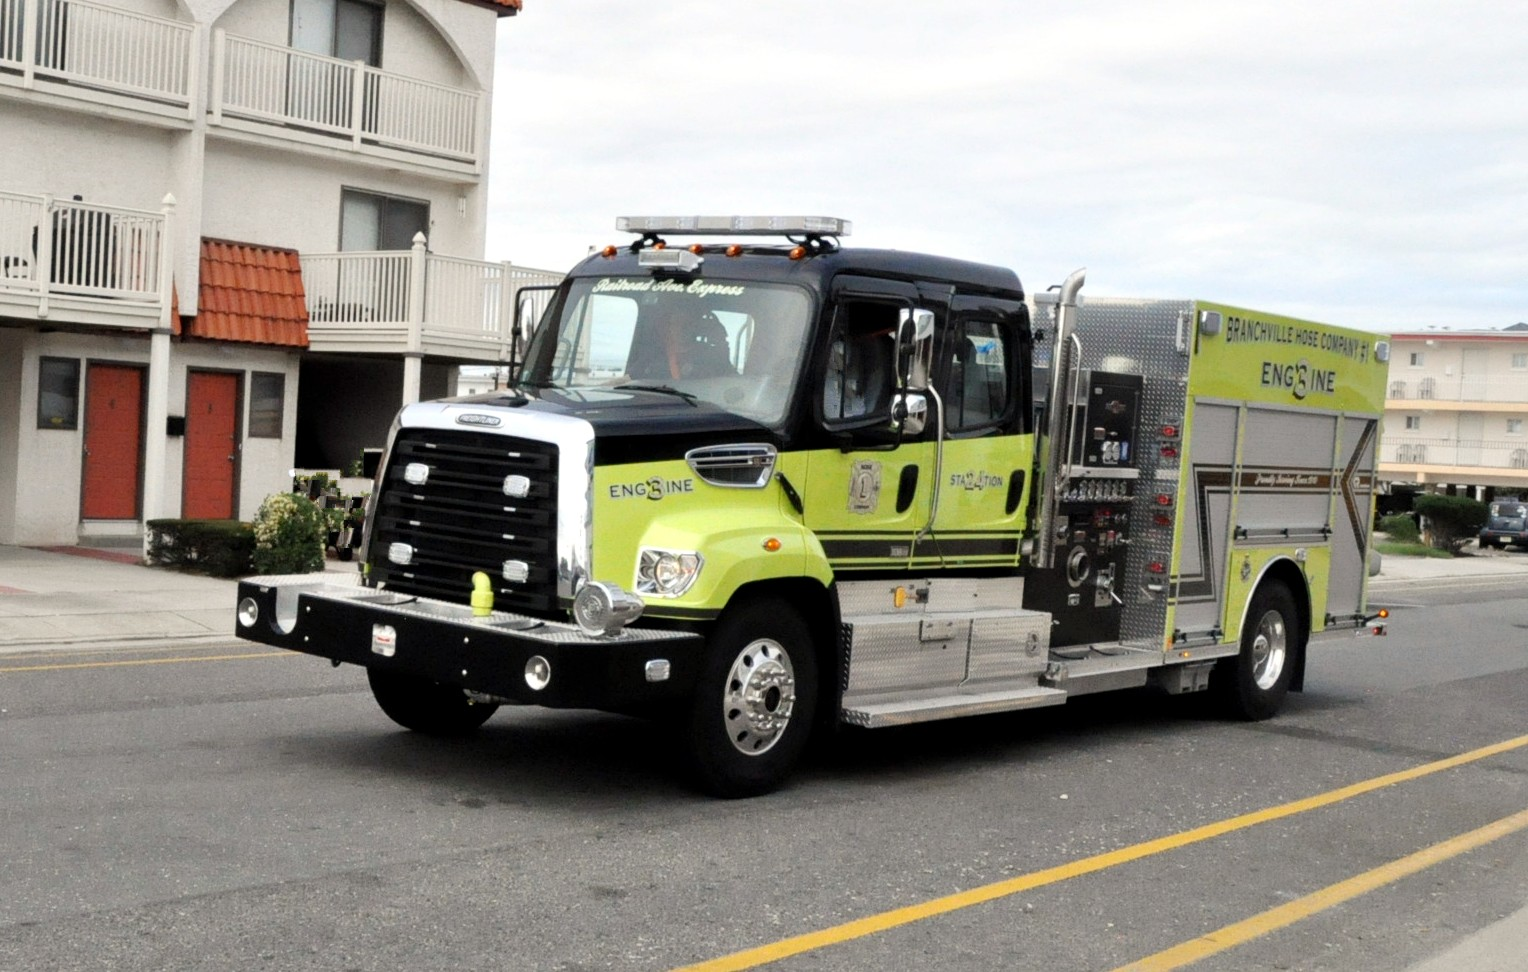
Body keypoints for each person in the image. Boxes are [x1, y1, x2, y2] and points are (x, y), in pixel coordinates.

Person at [627, 306, 733, 380]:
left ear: (695, 327)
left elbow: (733, 381)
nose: (681, 329)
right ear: (670, 327)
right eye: (676, 323)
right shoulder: (654, 355)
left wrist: (720, 341)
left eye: (687, 324)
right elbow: (628, 379)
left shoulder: (711, 356)